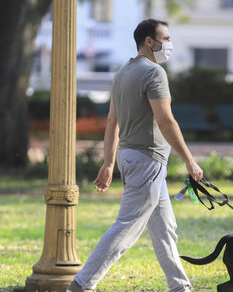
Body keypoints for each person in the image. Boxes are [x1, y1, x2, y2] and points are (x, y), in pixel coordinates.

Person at [67, 19, 203, 292]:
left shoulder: (121, 73)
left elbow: (111, 122)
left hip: (131, 158)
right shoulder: (154, 72)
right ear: (149, 42)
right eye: (165, 38)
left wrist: (108, 163)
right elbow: (166, 121)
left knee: (165, 228)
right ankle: (81, 285)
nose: (169, 43)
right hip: (147, 161)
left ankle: (180, 287)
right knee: (127, 227)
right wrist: (189, 159)